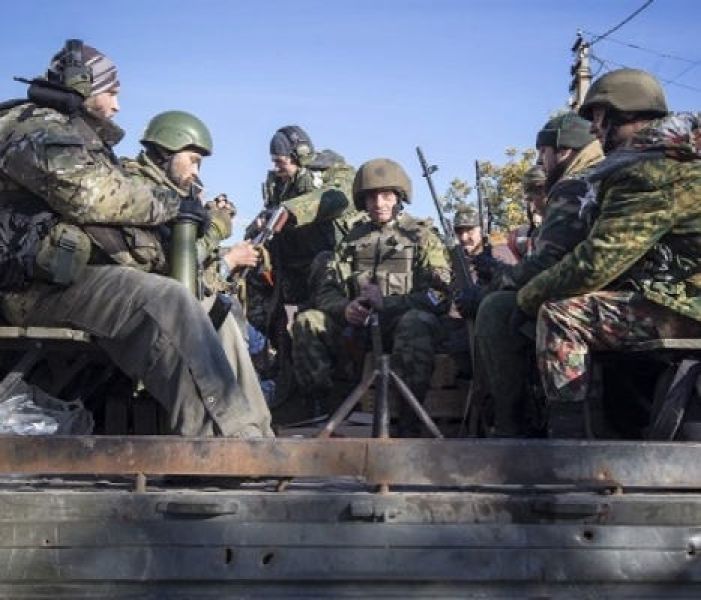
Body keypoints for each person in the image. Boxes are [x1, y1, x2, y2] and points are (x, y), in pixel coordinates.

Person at [0, 40, 272, 438]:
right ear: (83, 85)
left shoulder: (76, 135)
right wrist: (175, 205)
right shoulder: (32, 125)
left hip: (68, 280)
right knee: (166, 300)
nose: (117, 106)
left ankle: (258, 439)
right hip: (31, 289)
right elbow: (90, 193)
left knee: (215, 311)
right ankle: (223, 446)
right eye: (111, 92)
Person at [516, 69, 701, 438]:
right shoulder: (673, 158)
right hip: (683, 296)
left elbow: (595, 263)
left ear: (624, 114)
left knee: (562, 316)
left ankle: (570, 449)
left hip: (688, 306)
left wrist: (526, 298)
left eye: (599, 118)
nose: (594, 130)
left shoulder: (651, 170)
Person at [292, 158, 451, 435]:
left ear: (398, 197)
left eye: (386, 195)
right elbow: (327, 291)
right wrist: (345, 308)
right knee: (308, 320)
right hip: (359, 330)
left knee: (415, 322)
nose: (379, 203)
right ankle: (326, 412)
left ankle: (408, 425)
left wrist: (387, 304)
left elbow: (440, 295)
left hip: (403, 329)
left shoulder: (421, 237)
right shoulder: (351, 241)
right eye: (371, 197)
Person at [469, 112, 604, 437]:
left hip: (587, 296)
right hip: (602, 287)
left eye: (543, 152)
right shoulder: (602, 173)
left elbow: (546, 261)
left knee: (495, 309)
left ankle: (511, 426)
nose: (541, 161)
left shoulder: (574, 185)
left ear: (563, 150)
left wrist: (496, 283)